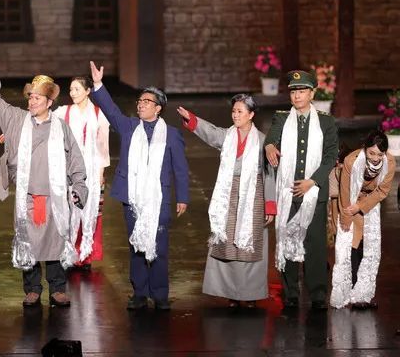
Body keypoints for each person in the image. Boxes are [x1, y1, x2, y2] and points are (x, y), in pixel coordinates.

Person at [0, 53, 88, 307]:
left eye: (37, 98)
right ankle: (32, 289)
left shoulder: (61, 127)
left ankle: (57, 288)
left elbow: (75, 158)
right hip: (27, 197)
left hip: (54, 197)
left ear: (49, 102)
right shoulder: (16, 119)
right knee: (27, 241)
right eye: (30, 97)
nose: (31, 101)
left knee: (55, 241)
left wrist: (79, 186)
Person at [89, 61, 190, 311]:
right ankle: (140, 293)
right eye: (140, 101)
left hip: (159, 199)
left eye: (146, 101)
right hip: (132, 196)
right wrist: (99, 84)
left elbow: (180, 168)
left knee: (159, 247)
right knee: (136, 246)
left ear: (158, 108)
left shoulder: (172, 135)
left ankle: (160, 294)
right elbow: (111, 111)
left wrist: (183, 197)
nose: (141, 104)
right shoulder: (130, 127)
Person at [178, 94, 275, 307]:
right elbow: (211, 133)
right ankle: (231, 293)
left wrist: (270, 204)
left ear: (251, 114)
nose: (235, 115)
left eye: (240, 111)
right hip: (228, 195)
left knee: (249, 244)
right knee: (227, 243)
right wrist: (192, 120)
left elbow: (269, 174)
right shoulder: (228, 136)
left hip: (253, 196)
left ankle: (250, 294)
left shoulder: (262, 141)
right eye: (233, 111)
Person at [264, 70, 338, 310]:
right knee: (288, 239)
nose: (297, 96)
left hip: (314, 192)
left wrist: (313, 181)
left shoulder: (326, 121)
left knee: (315, 245)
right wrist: (269, 147)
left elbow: (331, 156)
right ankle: (291, 293)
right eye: (294, 91)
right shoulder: (282, 118)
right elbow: (271, 139)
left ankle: (317, 294)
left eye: (302, 91)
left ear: (312, 93)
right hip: (288, 191)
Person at [330, 131, 396, 309]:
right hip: (349, 202)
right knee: (351, 246)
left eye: (380, 154)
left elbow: (382, 190)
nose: (375, 158)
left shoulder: (389, 162)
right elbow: (344, 191)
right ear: (365, 149)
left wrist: (361, 206)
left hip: (369, 204)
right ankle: (351, 291)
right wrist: (346, 216)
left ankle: (363, 293)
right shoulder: (351, 161)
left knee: (368, 247)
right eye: (371, 153)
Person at [55, 76, 110, 270]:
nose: (72, 93)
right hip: (69, 168)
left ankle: (85, 254)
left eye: (77, 89)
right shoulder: (63, 112)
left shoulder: (98, 114)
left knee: (90, 210)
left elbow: (103, 146)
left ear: (88, 91)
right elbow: (42, 121)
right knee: (69, 210)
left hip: (92, 168)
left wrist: (101, 172)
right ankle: (68, 253)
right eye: (71, 89)